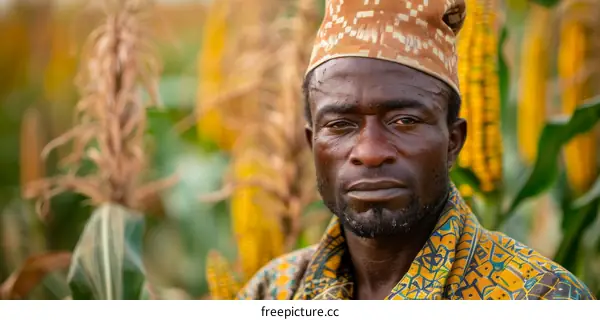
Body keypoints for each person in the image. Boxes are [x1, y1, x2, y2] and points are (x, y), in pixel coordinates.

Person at [236, 0, 595, 300]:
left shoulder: (541, 297)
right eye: (341, 125)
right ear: (311, 143)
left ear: (454, 141)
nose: (370, 152)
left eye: (404, 121)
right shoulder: (272, 293)